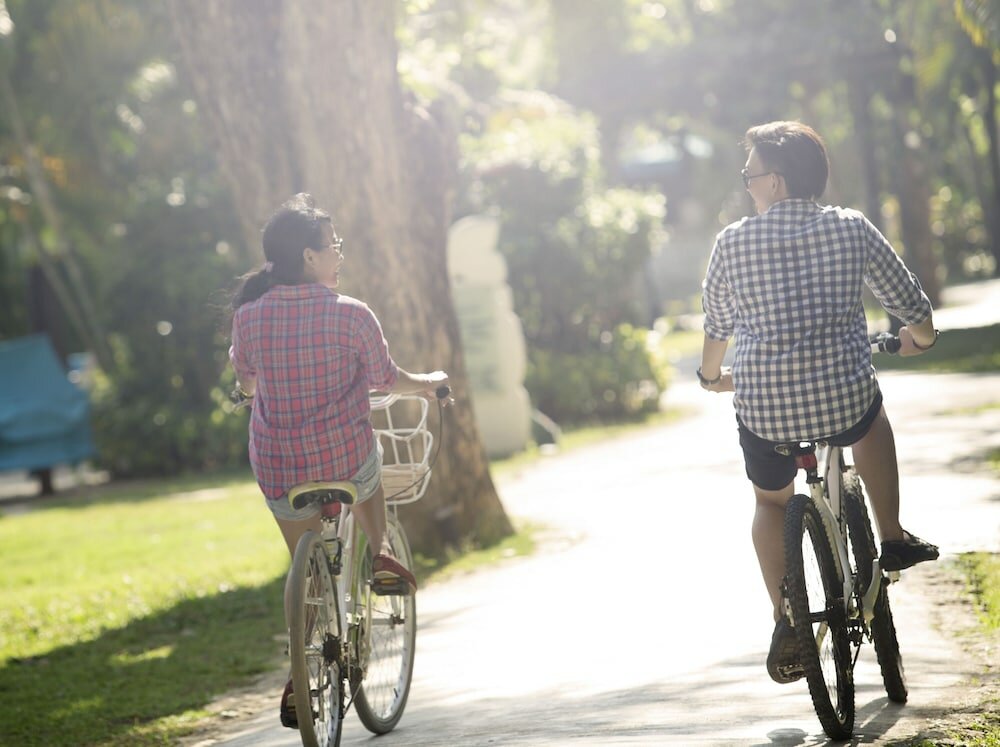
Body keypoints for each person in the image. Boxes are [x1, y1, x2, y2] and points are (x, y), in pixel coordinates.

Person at [698, 121, 939, 685]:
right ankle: (894, 536)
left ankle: (787, 616)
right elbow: (911, 305)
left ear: (776, 182)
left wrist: (711, 378)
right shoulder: (851, 228)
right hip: (842, 396)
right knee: (872, 417)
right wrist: (922, 340)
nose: (748, 185)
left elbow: (717, 330)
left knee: (770, 503)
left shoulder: (732, 242)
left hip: (764, 406)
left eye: (751, 175)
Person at [228, 193, 449, 726]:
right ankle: (379, 553)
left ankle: (299, 673)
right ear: (308, 256)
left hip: (279, 464)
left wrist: (259, 387)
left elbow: (246, 381)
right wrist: (427, 386)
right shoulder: (351, 314)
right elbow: (384, 380)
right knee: (368, 456)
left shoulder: (249, 316)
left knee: (303, 567)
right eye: (333, 247)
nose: (338, 255)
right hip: (343, 457)